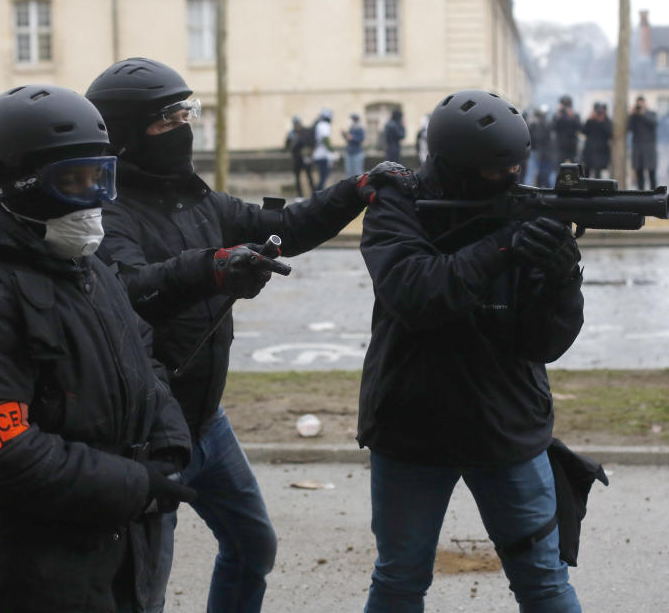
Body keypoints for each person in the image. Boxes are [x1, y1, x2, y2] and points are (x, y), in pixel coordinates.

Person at [84, 57, 400, 612]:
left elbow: (286, 228)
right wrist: (212, 267)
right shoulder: (108, 216)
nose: (183, 128)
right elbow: (130, 290)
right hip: (150, 431)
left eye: (187, 114)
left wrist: (357, 188)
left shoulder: (198, 200)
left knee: (254, 546)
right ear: (127, 136)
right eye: (167, 120)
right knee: (142, 589)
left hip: (208, 422)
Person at [0, 84, 195, 612]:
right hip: (25, 574)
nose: (93, 199)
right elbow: (0, 452)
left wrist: (170, 445)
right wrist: (134, 486)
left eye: (100, 178)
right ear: (17, 185)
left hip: (118, 554)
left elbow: (142, 357)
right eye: (72, 181)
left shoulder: (85, 267)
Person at [357, 89, 585, 612]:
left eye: (515, 167)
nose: (508, 178)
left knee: (545, 583)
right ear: (454, 165)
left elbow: (543, 343)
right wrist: (503, 245)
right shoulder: (398, 204)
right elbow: (417, 292)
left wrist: (561, 278)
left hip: (506, 425)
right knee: (399, 581)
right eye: (495, 170)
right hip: (412, 425)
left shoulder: (521, 210)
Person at [628, 95, 658, 189]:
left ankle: (654, 194)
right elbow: (629, 128)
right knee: (639, 172)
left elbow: (653, 124)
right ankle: (641, 194)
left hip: (649, 147)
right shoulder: (634, 116)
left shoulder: (651, 113)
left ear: (645, 104)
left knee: (651, 172)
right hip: (638, 147)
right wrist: (632, 114)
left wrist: (643, 114)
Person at [284, 116, 314, 199]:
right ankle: (299, 195)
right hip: (296, 158)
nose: (297, 125)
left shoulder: (306, 132)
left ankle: (314, 193)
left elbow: (311, 142)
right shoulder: (291, 133)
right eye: (295, 124)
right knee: (297, 178)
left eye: (298, 123)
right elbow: (286, 146)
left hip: (305, 157)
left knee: (309, 176)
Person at [581, 102, 612, 178]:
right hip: (589, 150)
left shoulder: (607, 121)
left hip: (601, 151)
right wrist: (590, 118)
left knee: (598, 173)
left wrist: (602, 122)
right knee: (586, 171)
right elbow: (583, 131)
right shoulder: (590, 121)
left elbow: (609, 134)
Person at [529, 104, 555, 186]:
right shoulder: (537, 124)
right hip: (538, 151)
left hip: (541, 152)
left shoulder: (543, 124)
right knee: (533, 172)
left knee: (536, 172)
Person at [311, 107, 336, 191]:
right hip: (322, 155)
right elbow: (325, 139)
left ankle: (317, 192)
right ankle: (318, 193)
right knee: (323, 177)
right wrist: (332, 151)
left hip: (318, 154)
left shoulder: (319, 124)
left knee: (322, 177)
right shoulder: (325, 125)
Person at [552, 95, 581, 165]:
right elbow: (553, 127)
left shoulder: (575, 115)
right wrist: (558, 115)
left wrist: (572, 116)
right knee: (558, 166)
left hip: (571, 146)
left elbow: (579, 127)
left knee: (572, 167)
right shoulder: (557, 115)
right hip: (560, 146)